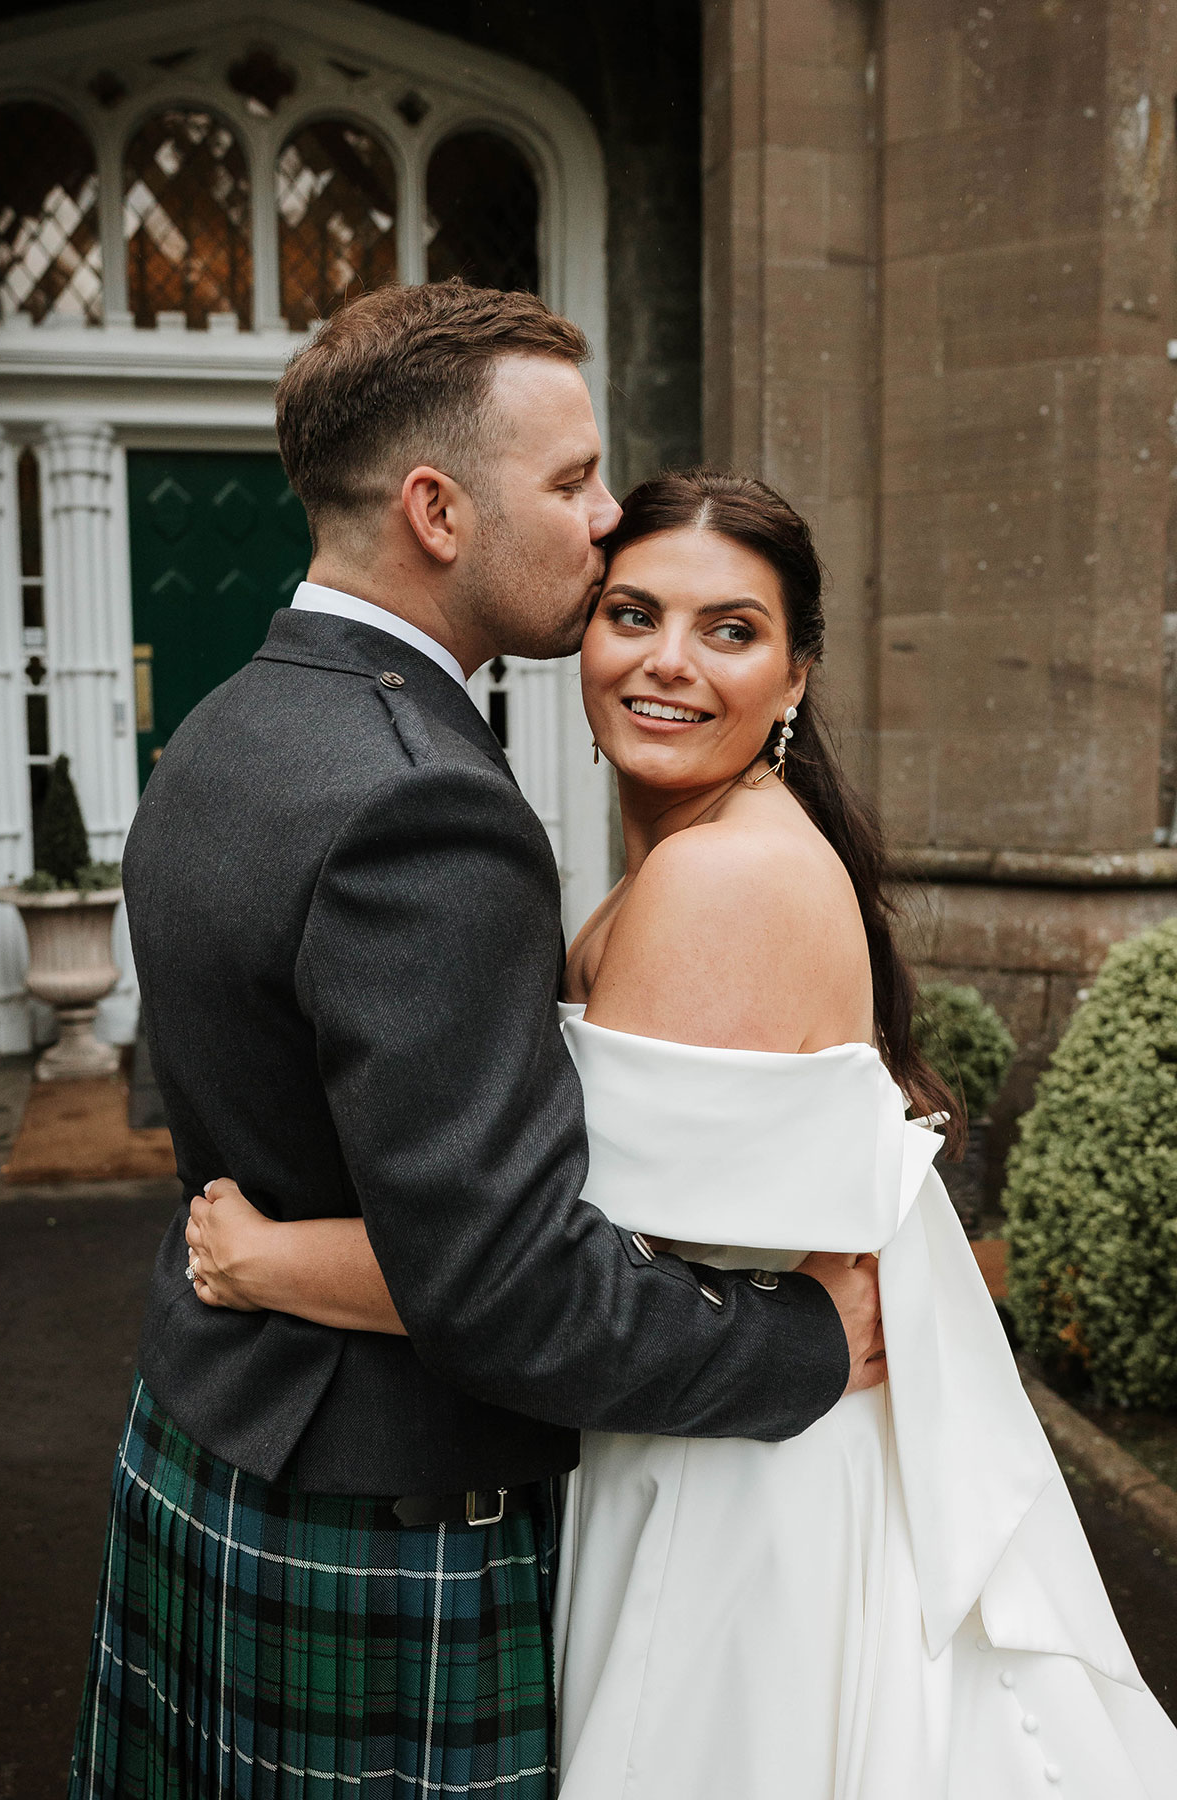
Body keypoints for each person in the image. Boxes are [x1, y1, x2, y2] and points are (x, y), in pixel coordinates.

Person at [189, 470, 1177, 1797]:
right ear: (582, 640)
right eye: (633, 612)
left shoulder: (722, 877)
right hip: (711, 1431)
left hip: (745, 1486)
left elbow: (540, 1274)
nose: (667, 662)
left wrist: (261, 1260)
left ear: (796, 678)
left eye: (730, 630)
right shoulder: (704, 852)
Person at [69, 287, 886, 1800]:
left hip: (208, 1430)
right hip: (384, 1509)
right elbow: (506, 1286)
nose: (602, 521)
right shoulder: (422, 800)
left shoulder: (229, 725)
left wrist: (255, 1257)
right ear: (440, 510)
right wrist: (802, 1344)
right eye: (572, 481)